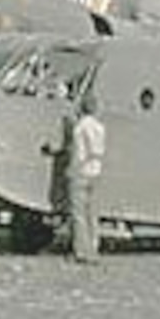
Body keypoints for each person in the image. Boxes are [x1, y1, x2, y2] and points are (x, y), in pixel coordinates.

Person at [66, 90, 107, 262]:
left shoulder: (80, 127)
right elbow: (99, 151)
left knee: (78, 213)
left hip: (80, 171)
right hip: (96, 172)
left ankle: (82, 252)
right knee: (92, 213)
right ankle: (94, 247)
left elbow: (78, 151)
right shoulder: (100, 127)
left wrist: (72, 168)